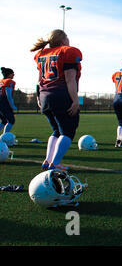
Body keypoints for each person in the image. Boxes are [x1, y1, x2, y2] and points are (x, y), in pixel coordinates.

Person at [31, 29, 82, 171]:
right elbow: (70, 79)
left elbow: (39, 80)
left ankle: (48, 161)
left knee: (56, 131)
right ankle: (55, 163)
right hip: (60, 95)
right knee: (67, 131)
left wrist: (38, 96)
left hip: (44, 95)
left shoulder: (41, 54)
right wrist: (75, 100)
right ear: (63, 40)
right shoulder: (68, 52)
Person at [0, 67, 17, 134]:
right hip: (3, 101)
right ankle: (4, 138)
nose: (13, 75)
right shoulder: (9, 81)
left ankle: (4, 137)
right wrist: (12, 106)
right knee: (11, 120)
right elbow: (8, 95)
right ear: (9, 74)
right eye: (13, 73)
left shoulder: (1, 81)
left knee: (4, 121)